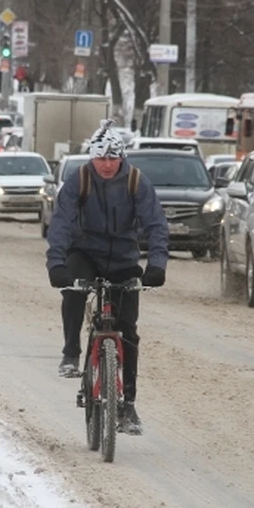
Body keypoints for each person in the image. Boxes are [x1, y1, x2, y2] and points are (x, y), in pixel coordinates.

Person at [45, 120, 170, 435]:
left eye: (113, 158)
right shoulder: (79, 180)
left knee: (128, 330)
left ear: (121, 157)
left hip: (123, 259)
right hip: (85, 253)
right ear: (92, 157)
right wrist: (56, 264)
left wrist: (156, 266)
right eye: (101, 158)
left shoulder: (136, 182)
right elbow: (60, 223)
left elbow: (156, 224)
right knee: (74, 289)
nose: (106, 164)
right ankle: (71, 352)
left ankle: (128, 405)